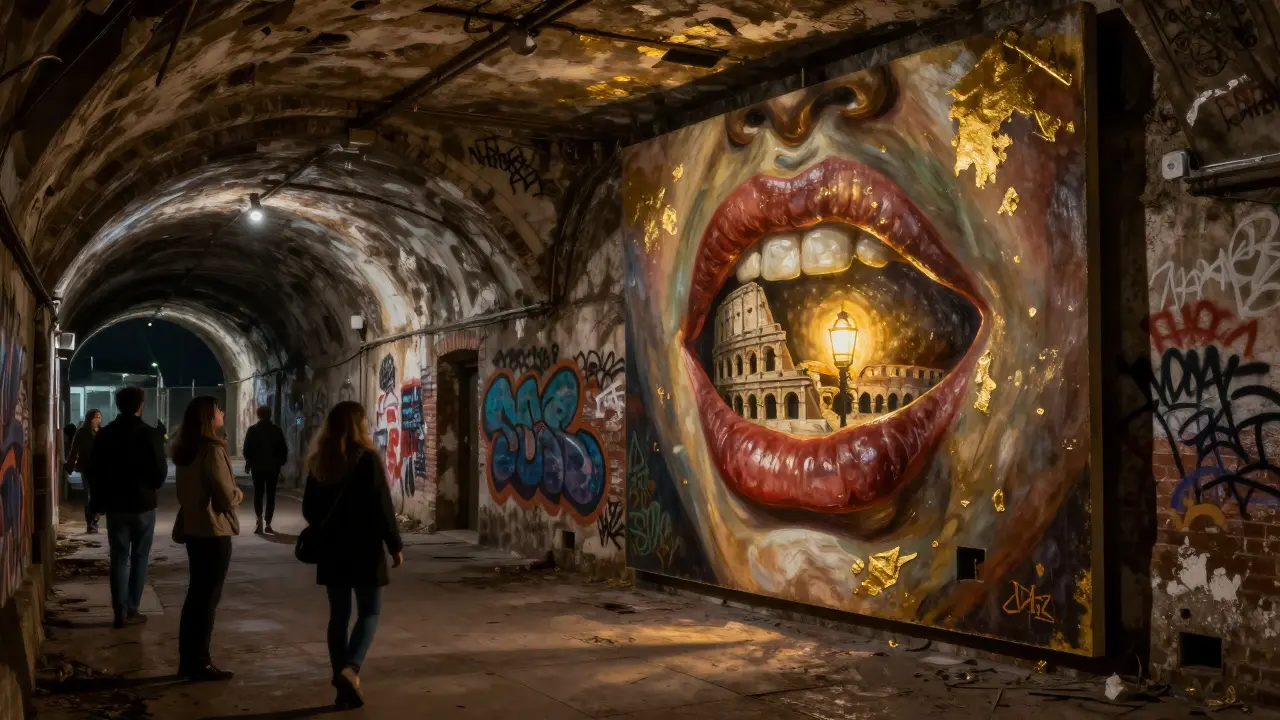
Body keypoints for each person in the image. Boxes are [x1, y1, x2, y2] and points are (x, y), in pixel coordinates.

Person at [302, 401, 403, 709]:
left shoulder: (320, 461)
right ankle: (351, 668)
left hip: (332, 549)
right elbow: (382, 507)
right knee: (370, 612)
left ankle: (340, 681)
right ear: (360, 426)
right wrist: (394, 546)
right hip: (365, 547)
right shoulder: (367, 459)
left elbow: (309, 509)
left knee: (339, 616)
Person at [172, 396, 241, 682]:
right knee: (207, 599)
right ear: (208, 417)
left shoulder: (185, 449)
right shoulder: (212, 450)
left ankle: (189, 660)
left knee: (196, 596)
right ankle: (200, 662)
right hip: (213, 531)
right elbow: (226, 496)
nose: (222, 412)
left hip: (193, 529)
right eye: (218, 409)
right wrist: (239, 495)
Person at [89, 387, 167, 628]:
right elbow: (159, 473)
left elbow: (96, 472)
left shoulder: (105, 434)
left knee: (118, 558)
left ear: (118, 404)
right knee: (140, 556)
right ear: (139, 406)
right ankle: (133, 607)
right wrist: (149, 486)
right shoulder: (150, 434)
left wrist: (98, 504)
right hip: (143, 505)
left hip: (116, 505)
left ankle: (119, 610)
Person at [243, 405, 288, 535]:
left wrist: (249, 463)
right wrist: (280, 463)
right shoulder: (276, 430)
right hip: (273, 468)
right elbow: (283, 449)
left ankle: (259, 519)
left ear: (258, 415)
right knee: (271, 494)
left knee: (258, 493)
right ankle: (268, 522)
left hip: (257, 468)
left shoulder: (253, 430)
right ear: (270, 415)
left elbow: (247, 449)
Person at [66, 411, 102, 533]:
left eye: (99, 417)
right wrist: (70, 466)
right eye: (95, 417)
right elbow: (74, 450)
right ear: (89, 419)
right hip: (87, 468)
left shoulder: (102, 432)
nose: (98, 420)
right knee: (88, 495)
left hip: (100, 469)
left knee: (99, 495)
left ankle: (96, 517)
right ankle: (90, 522)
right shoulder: (81, 432)